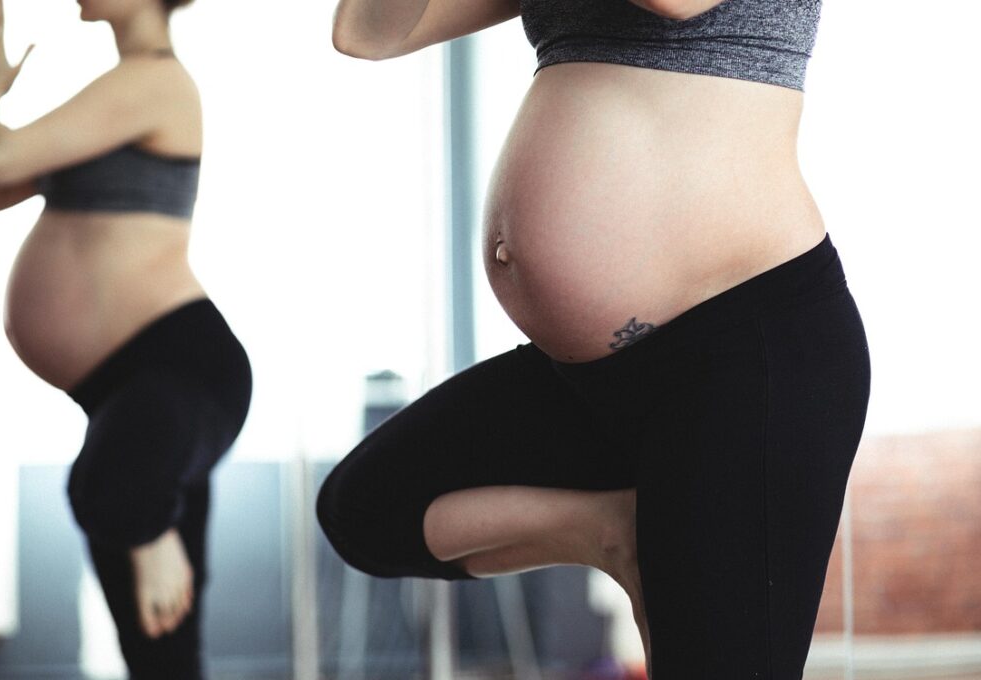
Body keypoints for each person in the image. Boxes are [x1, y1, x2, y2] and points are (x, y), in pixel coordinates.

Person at [315, 0, 870, 676]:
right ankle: (611, 534)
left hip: (740, 353)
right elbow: (368, 31)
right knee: (368, 509)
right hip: (592, 377)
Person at [0, 0, 251, 677]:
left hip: (179, 369)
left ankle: (149, 527)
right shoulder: (122, 89)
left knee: (111, 494)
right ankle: (148, 526)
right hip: (128, 387)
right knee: (159, 651)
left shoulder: (155, 80)